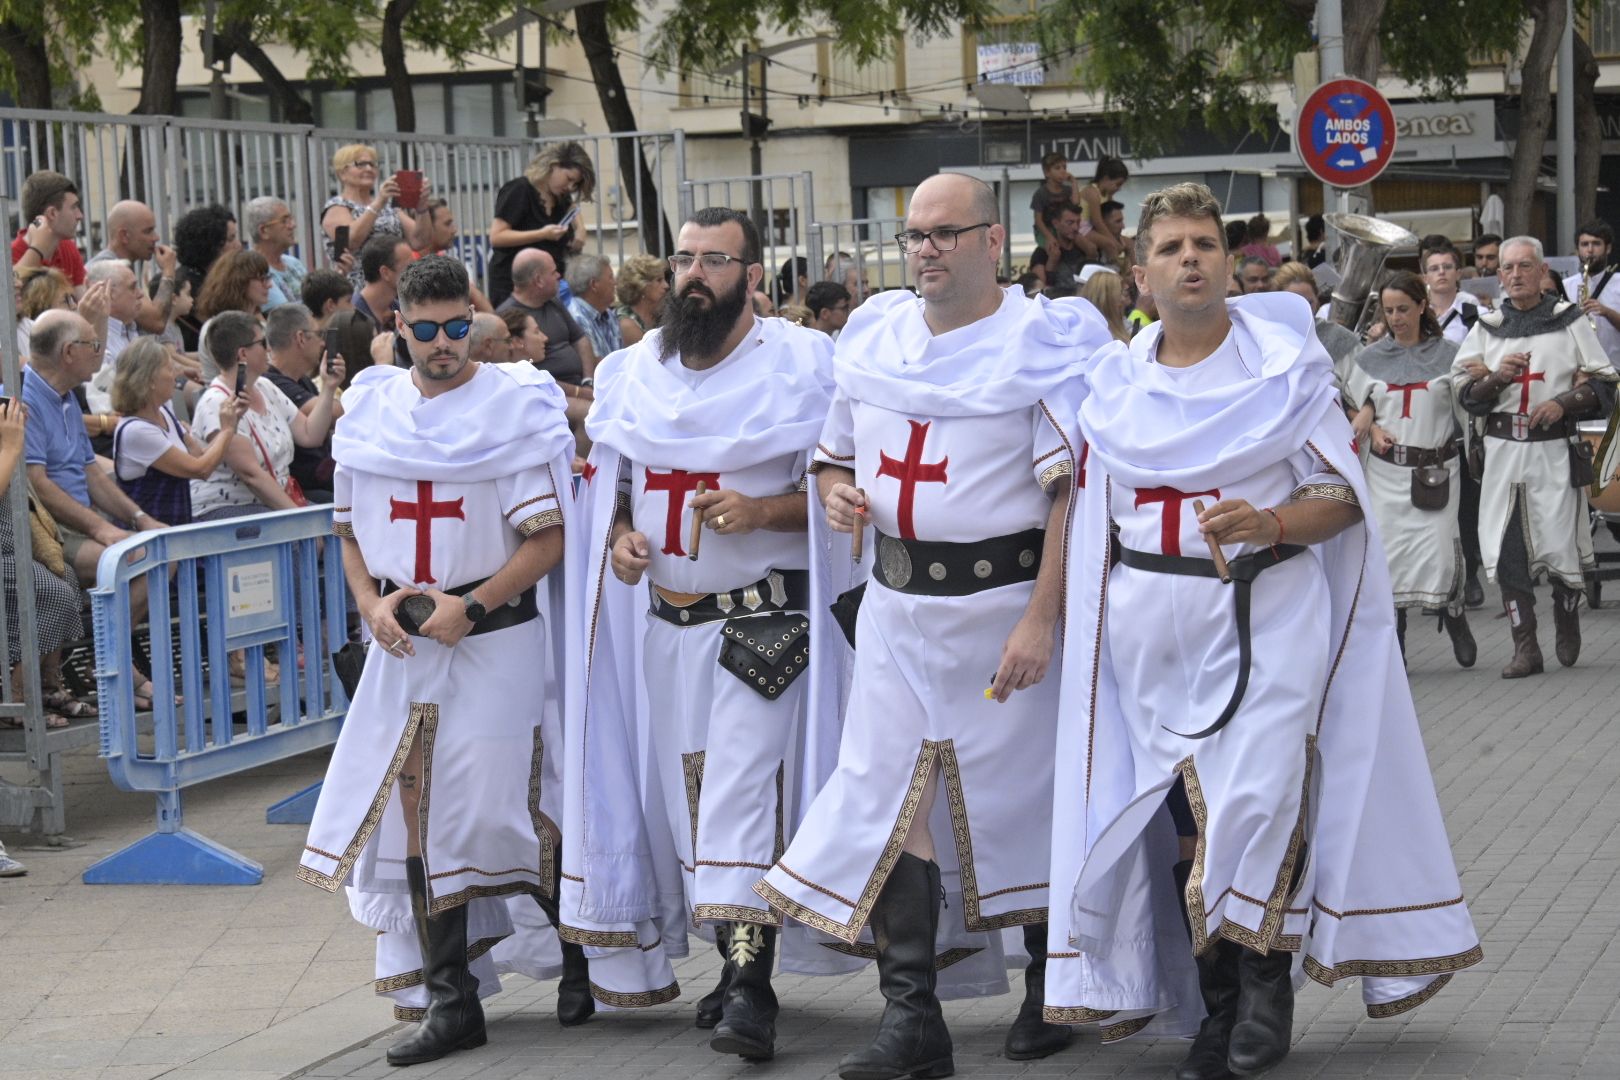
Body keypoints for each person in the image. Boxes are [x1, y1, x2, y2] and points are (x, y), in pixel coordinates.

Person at [1044, 183, 1481, 1079]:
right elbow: (1086, 517)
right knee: (1175, 819)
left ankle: (1266, 982)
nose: (1191, 259)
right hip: (1143, 629)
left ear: (1228, 263)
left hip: (1265, 612)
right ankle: (1217, 1004)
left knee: (1259, 796)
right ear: (1142, 272)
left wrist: (1271, 525)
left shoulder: (1283, 371)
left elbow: (1336, 498)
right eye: (1170, 248)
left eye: (1205, 243)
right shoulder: (1112, 382)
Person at [757, 174, 1110, 1077]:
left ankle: (1048, 990)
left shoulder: (1038, 346)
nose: (926, 249)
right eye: (916, 234)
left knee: (1020, 801)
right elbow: (832, 458)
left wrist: (1043, 618)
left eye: (947, 234)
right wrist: (838, 496)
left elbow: (1072, 496)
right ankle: (913, 1021)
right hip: (897, 612)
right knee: (889, 799)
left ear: (993, 241)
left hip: (1005, 614)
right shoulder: (874, 341)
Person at [562, 207, 836, 1061]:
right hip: (667, 625)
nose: (694, 274)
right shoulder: (631, 372)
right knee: (688, 805)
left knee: (739, 798)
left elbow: (832, 487)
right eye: (684, 257)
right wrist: (619, 538)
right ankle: (730, 963)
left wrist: (763, 510)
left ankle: (753, 989)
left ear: (752, 274)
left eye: (715, 260)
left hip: (765, 620)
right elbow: (617, 480)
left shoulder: (801, 367)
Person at [298, 254, 585, 1065]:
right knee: (416, 804)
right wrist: (369, 601)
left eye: (458, 326)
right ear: (400, 328)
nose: (443, 344)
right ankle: (454, 999)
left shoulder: (515, 409)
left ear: (474, 321)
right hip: (404, 642)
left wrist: (476, 604)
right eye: (424, 330)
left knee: (510, 803)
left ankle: (576, 954)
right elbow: (349, 532)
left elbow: (549, 539)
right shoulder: (371, 413)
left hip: (494, 638)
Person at [1452, 235, 1619, 676]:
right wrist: (1497, 379)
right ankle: (1525, 646)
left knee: (1559, 541)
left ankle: (1566, 619)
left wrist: (1563, 403)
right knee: (1506, 548)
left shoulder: (1569, 322)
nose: (1515, 275)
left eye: (1525, 266)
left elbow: (1605, 385)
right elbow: (1465, 396)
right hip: (1503, 454)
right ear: (1500, 275)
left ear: (1542, 271)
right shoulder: (1486, 328)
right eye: (1508, 268)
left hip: (1553, 453)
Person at [1345, 272, 1475, 665]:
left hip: (1436, 471)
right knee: (1389, 559)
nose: (1396, 317)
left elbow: (1468, 406)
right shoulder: (1368, 358)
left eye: (1403, 308)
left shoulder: (1450, 355)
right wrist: (1370, 417)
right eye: (1389, 310)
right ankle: (1396, 643)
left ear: (1422, 306)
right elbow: (1345, 400)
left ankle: (1453, 613)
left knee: (1442, 554)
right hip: (1386, 475)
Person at [189, 311, 342, 521]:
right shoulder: (215, 403)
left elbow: (309, 435)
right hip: (230, 510)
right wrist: (303, 521)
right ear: (243, 354)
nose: (269, 348)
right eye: (262, 343)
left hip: (272, 502)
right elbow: (252, 476)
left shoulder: (265, 386)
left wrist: (328, 387)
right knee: (320, 537)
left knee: (343, 526)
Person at [1, 397, 88, 737]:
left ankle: (49, 685)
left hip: (14, 552)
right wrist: (9, 444)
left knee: (64, 575)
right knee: (50, 591)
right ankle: (18, 697)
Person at [110, 337, 241, 526]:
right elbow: (201, 469)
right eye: (170, 369)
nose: (175, 376)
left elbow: (202, 456)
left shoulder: (163, 411)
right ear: (150, 379)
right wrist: (227, 430)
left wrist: (233, 420)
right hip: (149, 541)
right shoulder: (136, 431)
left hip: (176, 529)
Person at [487, 142, 595, 306]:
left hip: (548, 287)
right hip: (514, 285)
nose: (570, 187)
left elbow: (573, 208)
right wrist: (542, 234)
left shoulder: (560, 197)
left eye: (576, 184)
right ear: (553, 166)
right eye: (569, 179)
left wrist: (580, 229)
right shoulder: (519, 189)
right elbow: (497, 236)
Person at [262, 303, 345, 501]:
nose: (323, 343)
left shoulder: (302, 379)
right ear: (300, 338)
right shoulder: (273, 383)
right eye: (319, 335)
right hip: (307, 485)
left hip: (324, 474)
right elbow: (334, 414)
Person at [322, 144, 430, 288]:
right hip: (359, 289)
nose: (369, 169)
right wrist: (379, 202)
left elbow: (420, 241)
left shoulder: (388, 205)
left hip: (397, 288)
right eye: (360, 164)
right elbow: (351, 240)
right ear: (342, 173)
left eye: (372, 164)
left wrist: (422, 207)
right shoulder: (337, 206)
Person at [496, 249, 595, 389]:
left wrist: (588, 380)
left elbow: (580, 339)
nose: (559, 276)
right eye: (554, 272)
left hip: (581, 385)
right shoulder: (508, 317)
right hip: (551, 392)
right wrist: (581, 392)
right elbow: (520, 374)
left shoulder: (552, 302)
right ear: (538, 280)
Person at [89, 199, 183, 335]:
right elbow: (156, 322)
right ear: (124, 236)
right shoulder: (106, 270)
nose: (156, 238)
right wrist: (168, 271)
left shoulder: (121, 267)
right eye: (148, 231)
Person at [1273, 261, 1361, 392]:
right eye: (1294, 303)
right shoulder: (1267, 340)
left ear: (1317, 299)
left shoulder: (1341, 339)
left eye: (1309, 302)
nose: (1303, 310)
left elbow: (1365, 391)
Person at [172, 203, 242, 351]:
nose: (238, 245)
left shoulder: (213, 277)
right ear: (210, 244)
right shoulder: (188, 284)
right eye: (231, 239)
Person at [412, 198, 493, 313]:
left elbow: (477, 299)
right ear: (427, 226)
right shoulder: (407, 265)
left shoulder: (445, 261)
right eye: (447, 224)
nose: (454, 230)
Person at [83, 260, 143, 412]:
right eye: (133, 287)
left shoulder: (132, 328)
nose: (141, 294)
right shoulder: (92, 334)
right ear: (109, 293)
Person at [11, 170, 87, 292]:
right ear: (52, 213)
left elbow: (82, 302)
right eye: (73, 207)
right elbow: (8, 295)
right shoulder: (10, 256)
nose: (80, 215)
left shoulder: (67, 247)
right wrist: (37, 250)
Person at [1563, 219, 1620, 367]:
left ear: (1608, 248)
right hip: (1578, 369)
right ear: (1577, 249)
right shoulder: (1566, 285)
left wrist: (1607, 312)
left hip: (1615, 367)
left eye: (1596, 244)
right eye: (1584, 244)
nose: (1589, 250)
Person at [244, 197, 308, 311]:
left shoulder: (293, 263)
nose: (293, 225)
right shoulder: (252, 269)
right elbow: (284, 315)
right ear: (264, 231)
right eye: (284, 221)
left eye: (291, 218)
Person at [564, 254, 620, 364]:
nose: (615, 283)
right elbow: (597, 365)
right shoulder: (577, 317)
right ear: (594, 285)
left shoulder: (606, 312)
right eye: (610, 277)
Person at [1075, 156, 1130, 264]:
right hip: (1082, 227)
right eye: (1118, 184)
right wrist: (1113, 241)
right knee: (1110, 245)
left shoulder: (1107, 195)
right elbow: (1098, 221)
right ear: (1106, 178)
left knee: (1130, 243)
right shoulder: (1092, 193)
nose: (1119, 188)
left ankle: (1135, 274)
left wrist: (1119, 239)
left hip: (1093, 227)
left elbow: (1108, 218)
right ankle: (1117, 271)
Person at [195, 249, 273, 324]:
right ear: (240, 282)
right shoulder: (218, 328)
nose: (269, 285)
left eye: (268, 278)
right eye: (262, 279)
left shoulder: (258, 319)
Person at [1030, 202, 1087, 291]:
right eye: (1070, 223)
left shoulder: (1083, 249)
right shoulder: (1042, 253)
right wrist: (1052, 262)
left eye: (1078, 222)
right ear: (1056, 223)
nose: (1076, 227)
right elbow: (1040, 291)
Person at [614, 254, 668, 346]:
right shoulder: (627, 325)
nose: (666, 286)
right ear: (641, 285)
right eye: (659, 280)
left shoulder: (660, 314)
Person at [1029, 151, 1077, 254]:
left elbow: (1076, 204)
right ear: (1047, 173)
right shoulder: (1041, 193)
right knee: (1055, 251)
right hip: (1046, 230)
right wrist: (1049, 237)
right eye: (1057, 168)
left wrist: (1073, 182)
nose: (1063, 171)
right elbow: (1038, 220)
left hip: (1064, 227)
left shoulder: (1067, 190)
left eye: (1064, 167)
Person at [1080, 264, 1131, 342]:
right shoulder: (1090, 336)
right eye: (1120, 293)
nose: (1123, 300)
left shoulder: (1125, 325)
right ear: (1106, 299)